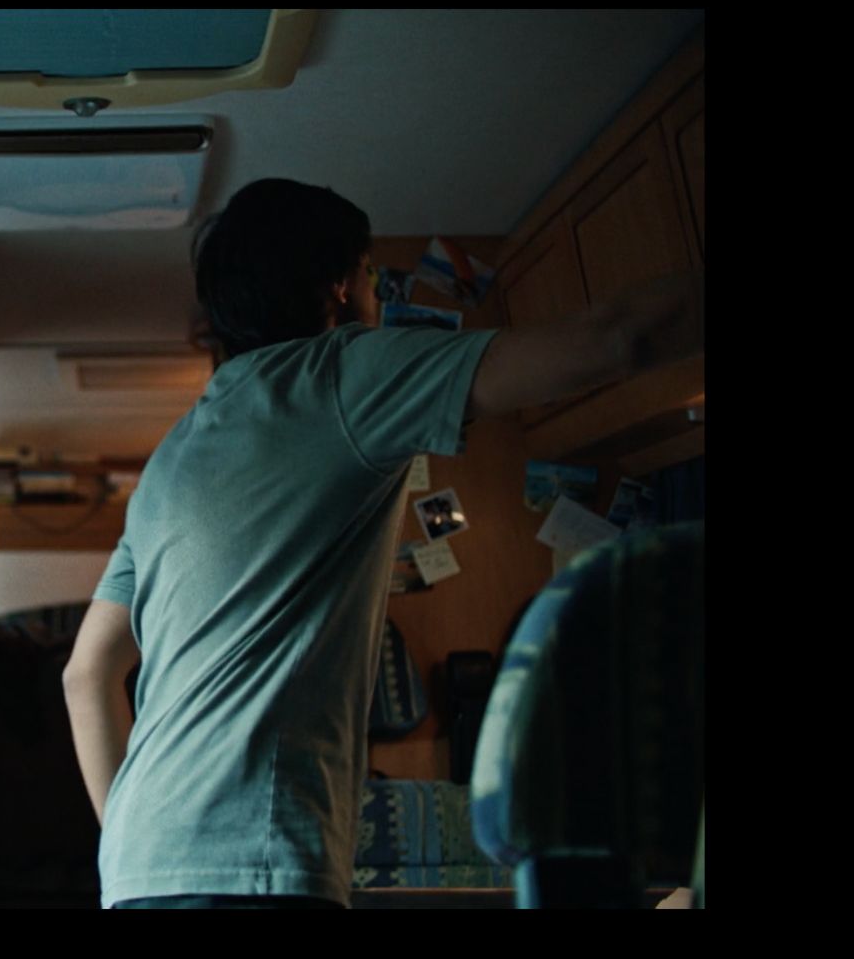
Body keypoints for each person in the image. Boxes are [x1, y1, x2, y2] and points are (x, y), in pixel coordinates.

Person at [61, 178, 702, 909]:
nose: (370, 291)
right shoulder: (343, 372)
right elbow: (620, 337)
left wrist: (136, 851)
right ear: (337, 285)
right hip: (251, 861)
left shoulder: (171, 460)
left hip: (143, 863)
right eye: (366, 272)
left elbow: (85, 675)